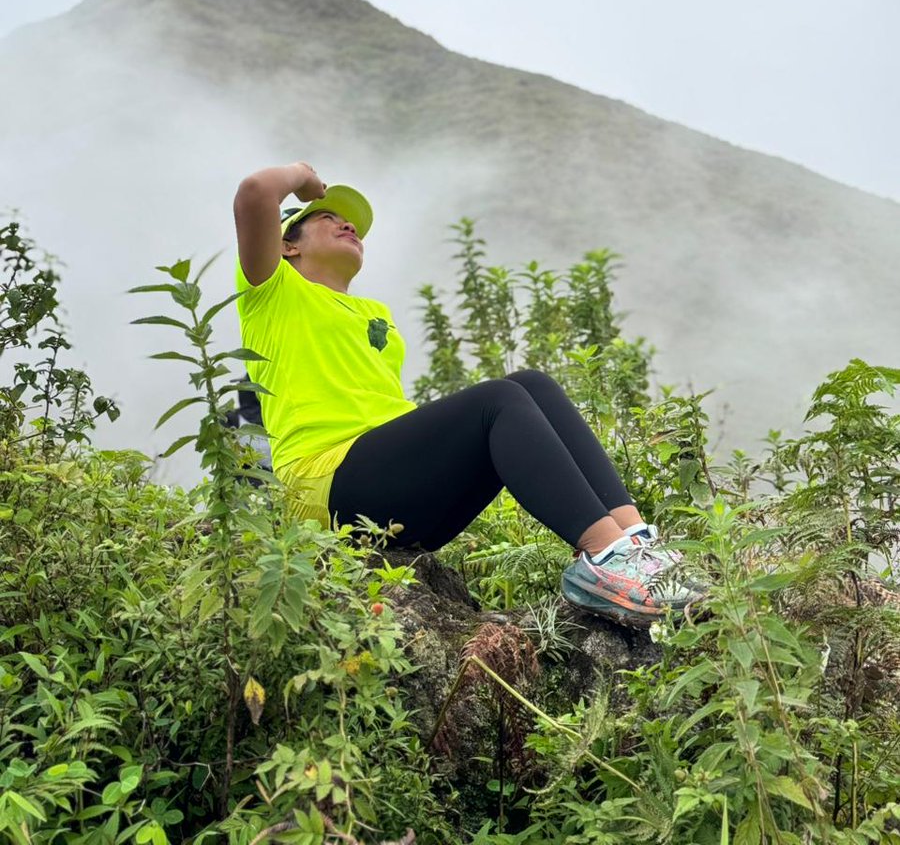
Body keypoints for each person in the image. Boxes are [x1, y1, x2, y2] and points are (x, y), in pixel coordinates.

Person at [233, 160, 701, 628]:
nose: (348, 225)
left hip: (394, 493)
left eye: (350, 222)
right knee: (497, 401)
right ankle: (605, 558)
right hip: (326, 484)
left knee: (532, 384)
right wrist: (304, 177)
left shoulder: (374, 313)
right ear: (287, 245)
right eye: (327, 218)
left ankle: (636, 546)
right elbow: (255, 192)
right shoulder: (271, 292)